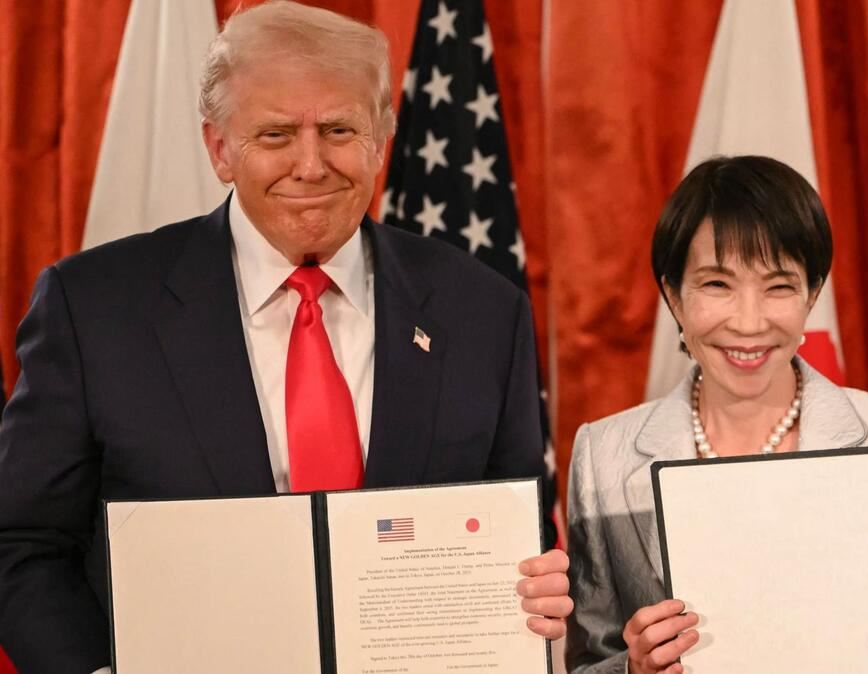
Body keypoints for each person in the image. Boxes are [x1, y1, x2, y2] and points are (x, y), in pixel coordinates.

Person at [0, 3, 570, 673]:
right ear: (219, 149)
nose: (311, 165)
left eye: (338, 129)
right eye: (275, 135)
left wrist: (535, 589)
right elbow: (23, 541)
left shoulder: (483, 312)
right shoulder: (94, 308)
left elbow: (518, 533)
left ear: (381, 140)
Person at [565, 155, 868, 674]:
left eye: (779, 286)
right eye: (717, 284)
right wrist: (632, 669)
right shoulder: (602, 457)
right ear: (673, 296)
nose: (748, 321)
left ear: (812, 294)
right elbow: (587, 660)